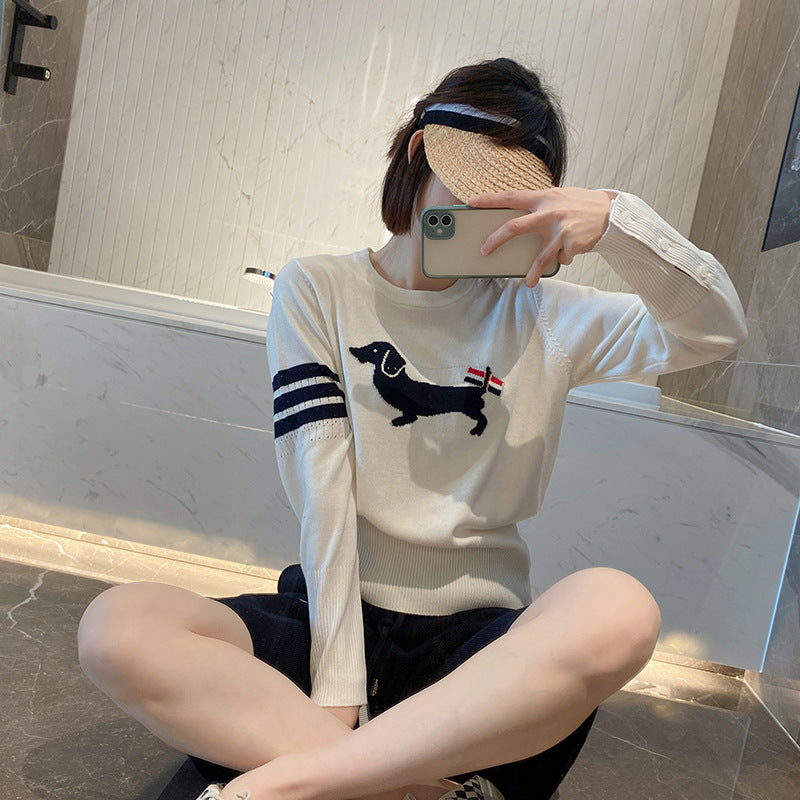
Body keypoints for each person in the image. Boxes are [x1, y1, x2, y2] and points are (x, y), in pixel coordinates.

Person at [77, 58, 747, 800]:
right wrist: (336, 693)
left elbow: (714, 333)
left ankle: (293, 783)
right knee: (117, 626)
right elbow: (322, 488)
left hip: (479, 662)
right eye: (473, 185)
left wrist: (618, 221)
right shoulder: (319, 289)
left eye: (513, 200)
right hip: (328, 619)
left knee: (619, 608)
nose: (486, 216)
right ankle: (402, 785)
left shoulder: (545, 316)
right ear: (417, 153)